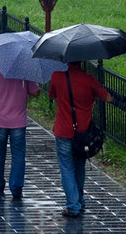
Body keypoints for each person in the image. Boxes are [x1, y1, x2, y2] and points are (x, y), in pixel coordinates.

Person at [47, 61, 112, 217]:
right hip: (82, 133)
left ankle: (72, 205)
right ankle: (80, 200)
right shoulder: (89, 80)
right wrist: (90, 101)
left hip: (63, 131)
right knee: (79, 166)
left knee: (67, 168)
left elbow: (52, 96)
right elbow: (108, 98)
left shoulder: (57, 76)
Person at [0, 66, 41, 200]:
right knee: (18, 155)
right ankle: (16, 187)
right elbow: (36, 92)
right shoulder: (24, 71)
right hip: (18, 122)